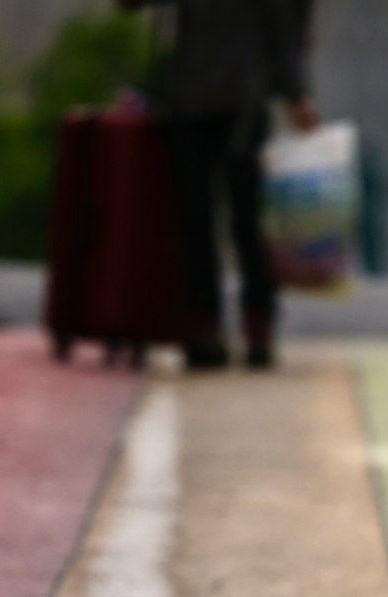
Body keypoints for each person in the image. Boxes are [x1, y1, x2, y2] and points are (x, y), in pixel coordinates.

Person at [117, 0, 319, 369]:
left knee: (246, 219)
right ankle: (204, 325)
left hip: (240, 100)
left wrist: (296, 93)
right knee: (196, 219)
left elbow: (285, 25)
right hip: (189, 101)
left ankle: (255, 322)